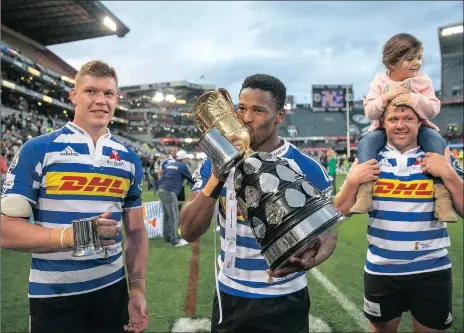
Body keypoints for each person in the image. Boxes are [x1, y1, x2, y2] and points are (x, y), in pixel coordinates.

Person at [180, 74, 338, 333]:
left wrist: (316, 256)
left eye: (258, 110)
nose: (246, 118)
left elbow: (329, 233)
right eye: (241, 108)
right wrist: (218, 175)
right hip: (230, 295)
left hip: (286, 298)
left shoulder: (307, 168)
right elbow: (188, 230)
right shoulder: (213, 163)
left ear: (279, 116)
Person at [0, 60, 149, 333]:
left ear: (117, 99)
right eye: (91, 91)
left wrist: (137, 288)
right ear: (73, 95)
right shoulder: (38, 149)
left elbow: (137, 231)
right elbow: (6, 231)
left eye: (108, 93)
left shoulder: (129, 158)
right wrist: (71, 236)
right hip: (54, 297)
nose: (100, 101)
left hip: (112, 292)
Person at [334, 102, 463, 333]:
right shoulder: (368, 158)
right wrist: (353, 181)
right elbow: (337, 212)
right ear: (383, 123)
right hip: (382, 271)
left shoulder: (439, 156)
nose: (400, 125)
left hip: (431, 271)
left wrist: (448, 174)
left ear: (420, 122)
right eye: (394, 119)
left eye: (408, 118)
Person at [351, 33, 458, 222]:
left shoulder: (422, 81)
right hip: (382, 130)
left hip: (420, 128)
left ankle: (443, 198)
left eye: (418, 58)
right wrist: (384, 98)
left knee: (436, 141)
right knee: (366, 143)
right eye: (410, 59)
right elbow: (369, 112)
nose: (416, 63)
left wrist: (413, 98)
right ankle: (365, 191)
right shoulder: (380, 82)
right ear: (391, 63)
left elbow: (433, 108)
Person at [157, 150, 193, 247]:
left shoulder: (169, 164)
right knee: (174, 216)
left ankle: (167, 237)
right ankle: (175, 240)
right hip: (169, 191)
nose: (187, 160)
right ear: (184, 159)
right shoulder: (182, 166)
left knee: (167, 216)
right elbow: (191, 179)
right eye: (186, 159)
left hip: (161, 189)